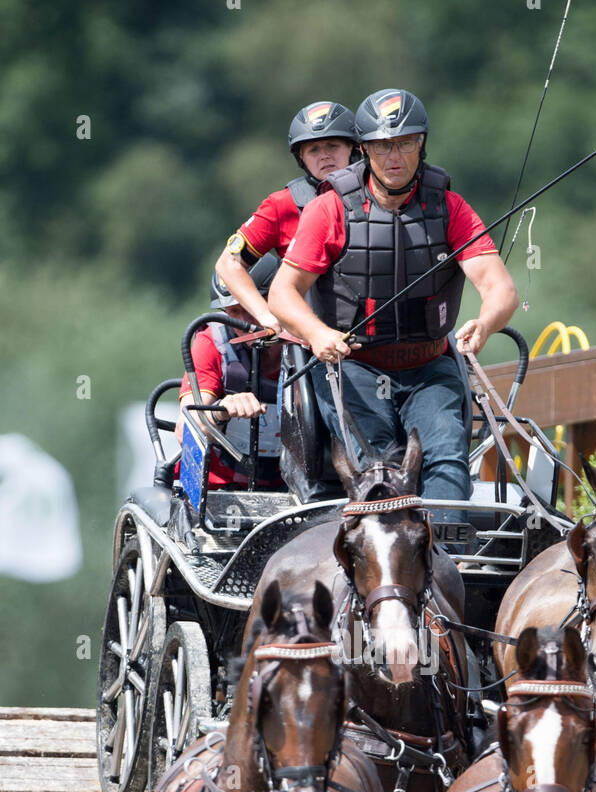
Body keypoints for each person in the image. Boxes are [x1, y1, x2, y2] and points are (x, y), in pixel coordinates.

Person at [268, 88, 519, 508]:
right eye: (383, 146)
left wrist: (485, 322)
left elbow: (501, 290)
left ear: (421, 144)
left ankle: (442, 554)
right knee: (380, 467)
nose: (394, 156)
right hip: (354, 368)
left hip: (429, 366)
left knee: (446, 461)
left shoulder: (451, 209)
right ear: (364, 149)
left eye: (406, 142)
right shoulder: (330, 210)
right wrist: (316, 333)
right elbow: (283, 293)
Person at [214, 101, 357, 332]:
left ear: (354, 148)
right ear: (301, 157)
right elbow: (228, 263)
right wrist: (264, 314)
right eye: (313, 150)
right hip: (313, 350)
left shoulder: (382, 193)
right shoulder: (282, 205)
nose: (324, 156)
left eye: (333, 145)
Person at [174, 261, 284, 491]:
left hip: (299, 493)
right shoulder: (211, 341)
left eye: (250, 308)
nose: (243, 323)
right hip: (218, 489)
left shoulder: (312, 343)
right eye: (233, 312)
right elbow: (187, 430)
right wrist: (222, 409)